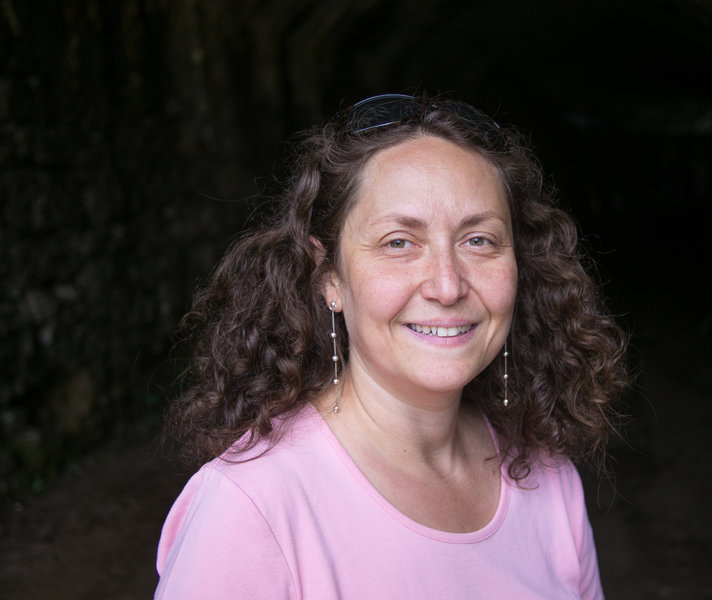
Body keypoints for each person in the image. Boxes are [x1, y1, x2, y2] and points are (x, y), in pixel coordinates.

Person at [154, 93, 629, 599]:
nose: (447, 286)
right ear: (329, 277)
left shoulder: (550, 480)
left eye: (479, 240)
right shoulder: (251, 508)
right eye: (399, 242)